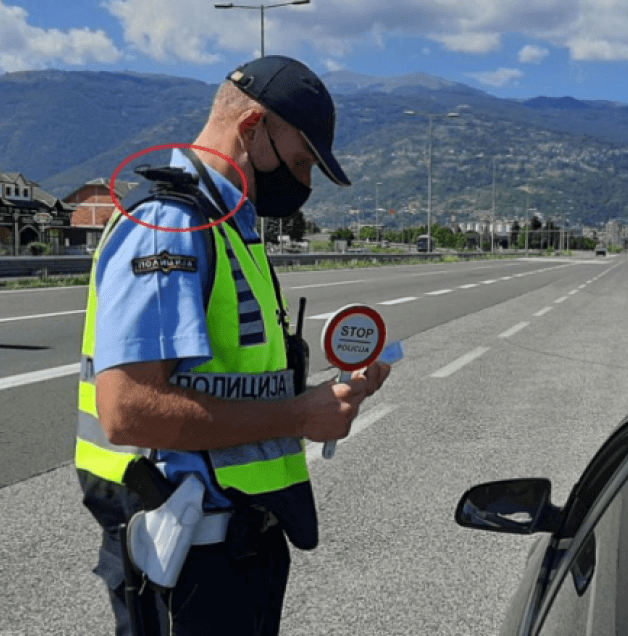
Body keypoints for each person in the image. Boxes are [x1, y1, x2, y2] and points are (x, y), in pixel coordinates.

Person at [75, 55, 391, 635]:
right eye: (300, 162)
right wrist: (299, 414)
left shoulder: (227, 228)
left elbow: (237, 377)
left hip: (238, 547)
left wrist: (321, 401)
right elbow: (125, 410)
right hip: (186, 559)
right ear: (251, 130)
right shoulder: (170, 227)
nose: (304, 184)